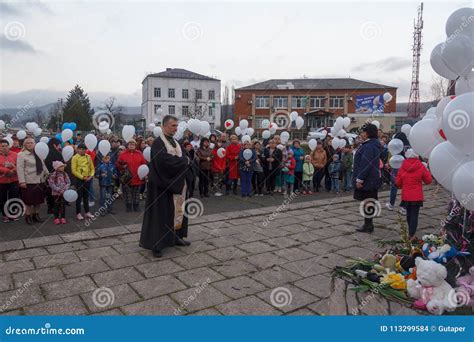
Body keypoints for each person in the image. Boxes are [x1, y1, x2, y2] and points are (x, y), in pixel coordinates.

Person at [140, 115, 191, 258]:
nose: (175, 128)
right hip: (161, 186)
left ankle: (175, 237)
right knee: (160, 215)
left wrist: (185, 161)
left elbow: (186, 157)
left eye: (176, 126)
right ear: (164, 126)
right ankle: (157, 244)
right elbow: (163, 161)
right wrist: (182, 162)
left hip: (177, 184)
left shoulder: (176, 142)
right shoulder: (158, 143)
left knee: (176, 212)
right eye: (173, 126)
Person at [395, 149, 432, 240]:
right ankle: (412, 234)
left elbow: (398, 183)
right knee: (414, 215)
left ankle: (410, 233)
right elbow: (428, 181)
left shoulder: (403, 166)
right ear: (416, 156)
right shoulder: (421, 166)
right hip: (417, 196)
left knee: (408, 214)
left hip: (406, 196)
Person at [353, 123, 383, 233]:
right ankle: (368, 224)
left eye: (363, 132)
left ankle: (368, 225)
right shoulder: (370, 144)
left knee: (368, 202)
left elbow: (366, 164)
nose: (361, 134)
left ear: (368, 133)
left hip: (368, 180)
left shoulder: (369, 146)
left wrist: (360, 179)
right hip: (370, 179)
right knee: (368, 202)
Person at [17, 137, 49, 224]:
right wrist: (22, 181)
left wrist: (48, 173)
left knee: (38, 201)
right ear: (24, 144)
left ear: (35, 144)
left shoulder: (38, 153)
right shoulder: (21, 154)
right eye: (27, 143)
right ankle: (28, 216)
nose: (30, 144)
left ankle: (36, 215)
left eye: (31, 143)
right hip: (29, 181)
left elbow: (43, 165)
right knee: (29, 201)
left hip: (40, 180)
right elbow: (20, 169)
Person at [116, 139, 147, 212]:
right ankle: (128, 207)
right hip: (127, 178)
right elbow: (117, 164)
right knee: (127, 194)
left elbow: (144, 164)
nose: (131, 145)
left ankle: (136, 206)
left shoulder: (139, 153)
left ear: (135, 145)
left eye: (133, 144)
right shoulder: (123, 154)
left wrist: (145, 174)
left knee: (136, 194)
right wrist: (122, 166)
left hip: (137, 177)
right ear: (128, 145)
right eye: (130, 144)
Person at [386, 132, 410, 214]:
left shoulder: (396, 145)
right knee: (406, 187)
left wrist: (389, 163)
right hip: (407, 168)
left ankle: (391, 204)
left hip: (396, 167)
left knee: (394, 186)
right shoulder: (408, 146)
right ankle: (404, 208)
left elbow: (393, 156)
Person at [71, 143, 95, 220]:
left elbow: (92, 168)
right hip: (79, 180)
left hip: (88, 179)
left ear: (85, 150)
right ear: (77, 150)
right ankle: (78, 213)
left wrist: (91, 176)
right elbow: (74, 170)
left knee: (86, 196)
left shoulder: (88, 157)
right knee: (79, 197)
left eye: (83, 149)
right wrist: (82, 177)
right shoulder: (75, 158)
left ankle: (87, 212)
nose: (81, 150)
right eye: (79, 149)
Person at [0, 139, 19, 223]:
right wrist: (6, 171)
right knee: (2, 198)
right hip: (2, 181)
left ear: (9, 146)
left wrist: (13, 170)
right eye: (2, 146)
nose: (4, 148)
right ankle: (5, 215)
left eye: (6, 146)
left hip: (14, 180)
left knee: (14, 197)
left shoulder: (15, 155)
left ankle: (12, 214)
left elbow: (19, 165)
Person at [44, 138, 64, 214]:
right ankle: (57, 208)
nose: (59, 146)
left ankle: (50, 208)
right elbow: (61, 162)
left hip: (48, 175)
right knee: (56, 192)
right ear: (54, 145)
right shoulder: (56, 153)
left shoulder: (46, 152)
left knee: (49, 192)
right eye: (58, 145)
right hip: (57, 175)